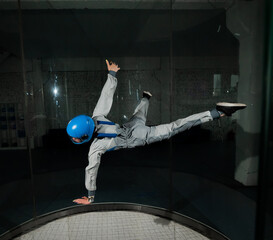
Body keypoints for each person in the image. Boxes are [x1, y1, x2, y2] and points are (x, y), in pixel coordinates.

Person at [67, 60, 246, 205]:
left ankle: (218, 112)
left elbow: (91, 170)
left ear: (85, 136)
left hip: (138, 136)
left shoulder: (96, 148)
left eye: (75, 137)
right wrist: (112, 74)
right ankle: (146, 97)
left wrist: (90, 196)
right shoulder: (96, 116)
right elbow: (106, 96)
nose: (73, 139)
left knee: (174, 127)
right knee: (138, 115)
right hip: (130, 127)